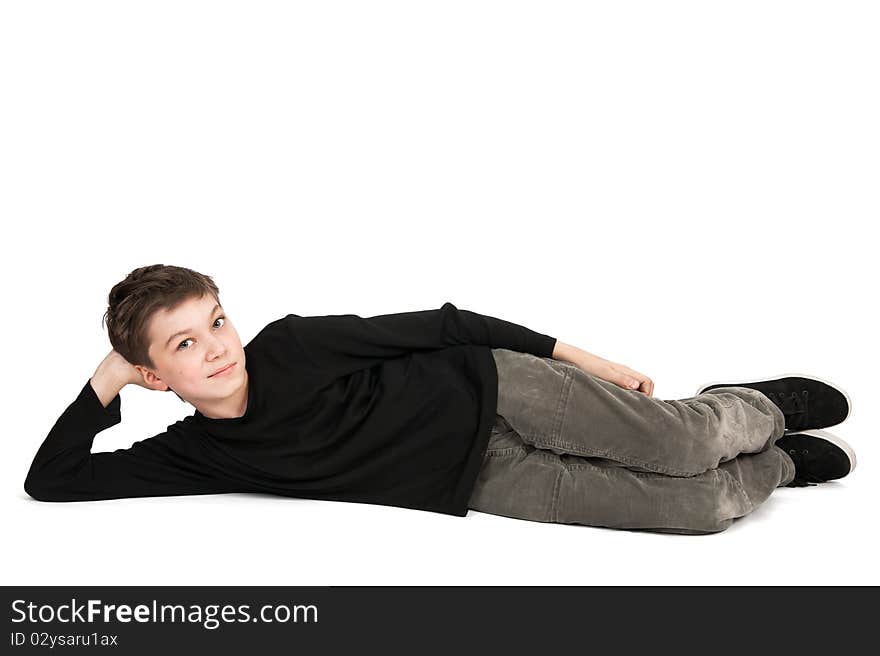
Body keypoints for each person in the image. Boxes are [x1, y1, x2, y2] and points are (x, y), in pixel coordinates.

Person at [24, 265, 857, 535]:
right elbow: (50, 482)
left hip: (500, 390)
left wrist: (587, 361)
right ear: (155, 377)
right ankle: (775, 466)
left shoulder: (292, 344)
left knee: (683, 444)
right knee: (701, 511)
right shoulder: (191, 452)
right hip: (477, 482)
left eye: (215, 321)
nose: (218, 348)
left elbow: (445, 322)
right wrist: (104, 378)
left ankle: (753, 408)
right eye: (183, 346)